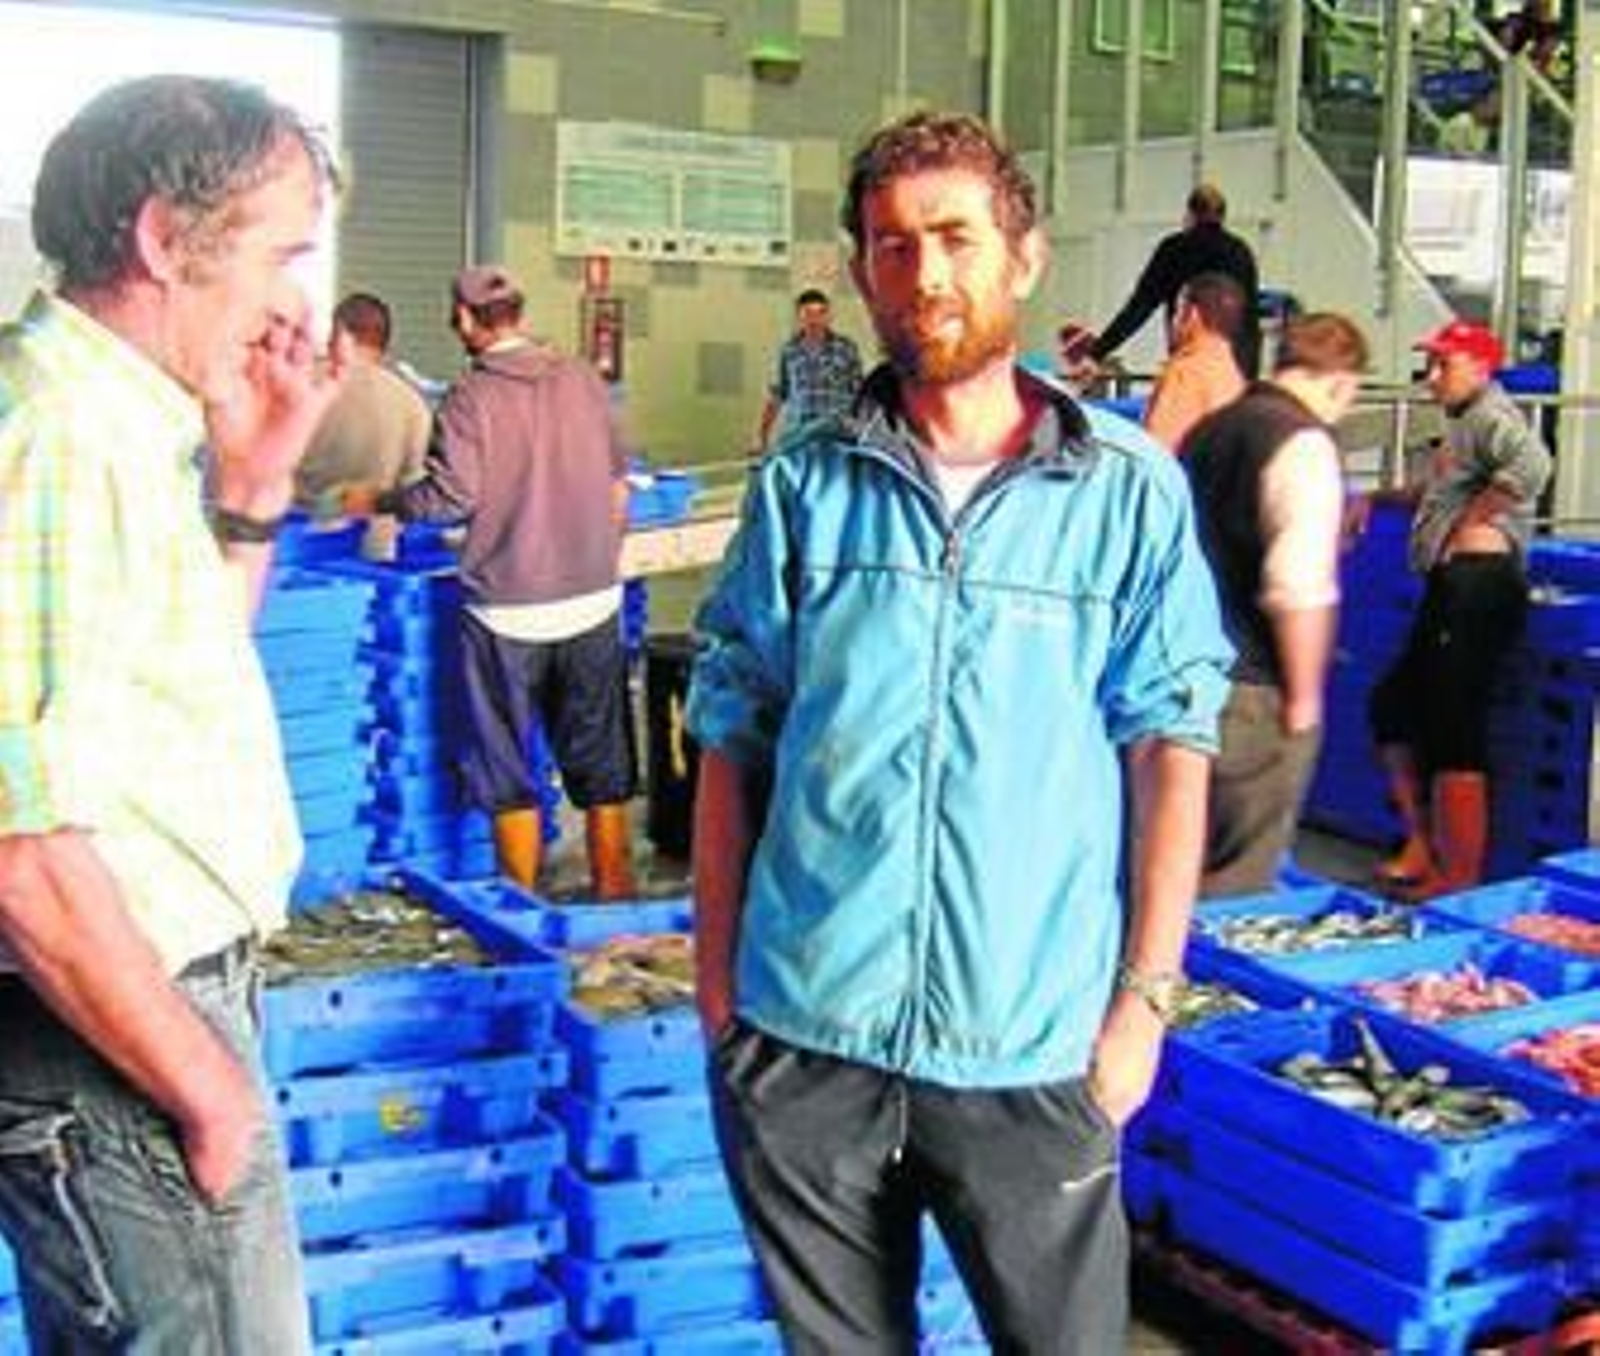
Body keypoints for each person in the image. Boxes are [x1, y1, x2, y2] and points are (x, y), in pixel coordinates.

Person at [688, 110, 1232, 1352]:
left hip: (1028, 1049)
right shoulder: (805, 485)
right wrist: (723, 991)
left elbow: (1170, 744)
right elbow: (732, 733)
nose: (924, 273)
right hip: (804, 1045)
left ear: (1022, 257)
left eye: (953, 237)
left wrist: (1143, 1002)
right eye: (889, 245)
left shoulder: (1123, 490)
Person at [0, 75, 341, 1352]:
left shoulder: (126, 429)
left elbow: (155, 703)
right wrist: (206, 1093)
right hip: (116, 1042)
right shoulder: (53, 440)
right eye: (278, 254)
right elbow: (20, 847)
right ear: (161, 238)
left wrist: (253, 485)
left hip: (144, 1019)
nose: (292, 301)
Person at [352, 266, 638, 899]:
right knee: (601, 763)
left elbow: (452, 497)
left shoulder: (469, 398)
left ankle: (524, 909)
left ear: (463, 319)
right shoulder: (584, 379)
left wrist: (381, 498)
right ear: (518, 311)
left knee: (509, 766)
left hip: (508, 614)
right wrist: (596, 559)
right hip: (594, 601)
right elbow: (620, 488)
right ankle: (616, 898)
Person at [1184, 313, 1370, 897]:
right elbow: (1298, 588)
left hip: (1181, 674)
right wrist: (1305, 698)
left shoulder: (1210, 431)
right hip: (1253, 690)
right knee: (1236, 881)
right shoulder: (1303, 444)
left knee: (1169, 859)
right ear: (1341, 383)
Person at [1368, 319, 1552, 899]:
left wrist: (1471, 524)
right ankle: (1422, 839)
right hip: (1451, 586)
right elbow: (1443, 489)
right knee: (1394, 705)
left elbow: (1533, 468)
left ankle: (1459, 872)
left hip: (1479, 586)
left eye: (1443, 364)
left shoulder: (1493, 416)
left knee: (1454, 723)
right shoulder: (1461, 426)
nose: (1430, 377)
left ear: (1480, 366)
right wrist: (1373, 500)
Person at [296, 291, 432, 558]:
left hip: (297, 549)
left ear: (338, 334)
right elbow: (416, 493)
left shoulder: (300, 384)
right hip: (373, 554)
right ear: (384, 342)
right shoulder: (412, 404)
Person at [1089, 183, 1261, 378]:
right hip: (1231, 366)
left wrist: (1097, 352)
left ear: (1190, 215)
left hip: (1188, 361)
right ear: (1222, 217)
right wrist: (1250, 377)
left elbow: (1139, 308)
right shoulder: (1240, 251)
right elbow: (1250, 320)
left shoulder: (1174, 249)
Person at [1142, 271, 1249, 453]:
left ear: (1192, 314)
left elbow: (1155, 454)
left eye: (1176, 310)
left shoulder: (1186, 373)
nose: (1173, 320)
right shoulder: (1232, 372)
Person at [751, 287, 863, 456]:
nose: (815, 319)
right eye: (808, 313)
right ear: (799, 317)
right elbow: (777, 394)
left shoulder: (846, 348)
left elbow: (860, 394)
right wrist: (761, 437)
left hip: (836, 432)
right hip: (800, 431)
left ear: (829, 316)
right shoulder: (790, 351)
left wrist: (865, 433)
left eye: (821, 313)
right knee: (781, 456)